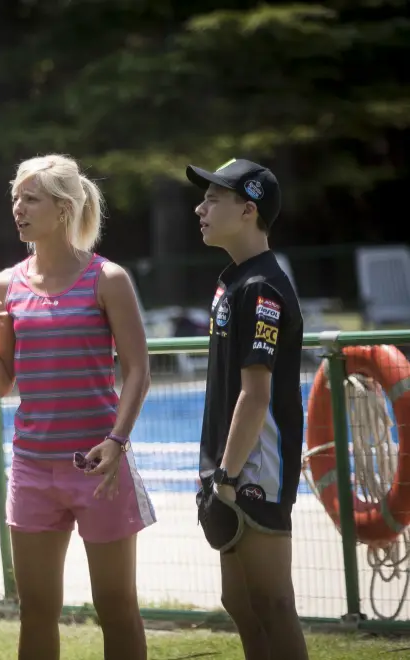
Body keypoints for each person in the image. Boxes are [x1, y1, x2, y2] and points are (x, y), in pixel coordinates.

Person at [0, 154, 156, 660]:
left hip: (100, 468)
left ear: (64, 208)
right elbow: (3, 383)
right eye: (15, 199)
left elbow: (138, 370)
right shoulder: (6, 285)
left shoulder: (107, 278)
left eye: (31, 199)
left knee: (117, 607)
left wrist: (117, 442)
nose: (18, 208)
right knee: (37, 611)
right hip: (32, 470)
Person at [187, 158, 309, 660]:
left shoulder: (261, 289)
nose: (200, 209)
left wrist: (227, 477)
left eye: (213, 199)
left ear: (247, 210)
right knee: (239, 601)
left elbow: (256, 395)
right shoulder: (232, 282)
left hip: (253, 467)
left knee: (272, 603)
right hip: (228, 465)